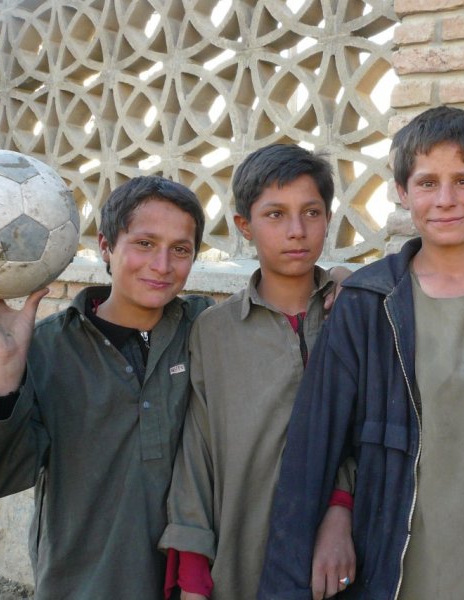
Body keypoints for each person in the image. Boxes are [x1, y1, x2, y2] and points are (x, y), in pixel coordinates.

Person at [258, 106, 464, 599]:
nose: (445, 200)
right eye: (427, 183)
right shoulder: (366, 304)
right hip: (386, 573)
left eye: (463, 181)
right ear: (403, 193)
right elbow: (313, 450)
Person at [0, 176, 213, 598]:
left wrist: (342, 282)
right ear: (106, 246)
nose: (162, 265)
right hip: (83, 583)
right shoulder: (48, 348)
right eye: (144, 243)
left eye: (180, 249)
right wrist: (4, 369)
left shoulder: (204, 329)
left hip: (190, 583)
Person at [159, 144, 355, 600]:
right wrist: (193, 577)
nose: (296, 231)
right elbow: (198, 452)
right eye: (275, 215)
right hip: (244, 556)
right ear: (244, 226)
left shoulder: (353, 313)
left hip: (342, 554)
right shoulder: (214, 330)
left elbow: (367, 429)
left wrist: (342, 505)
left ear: (329, 218)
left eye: (311, 212)